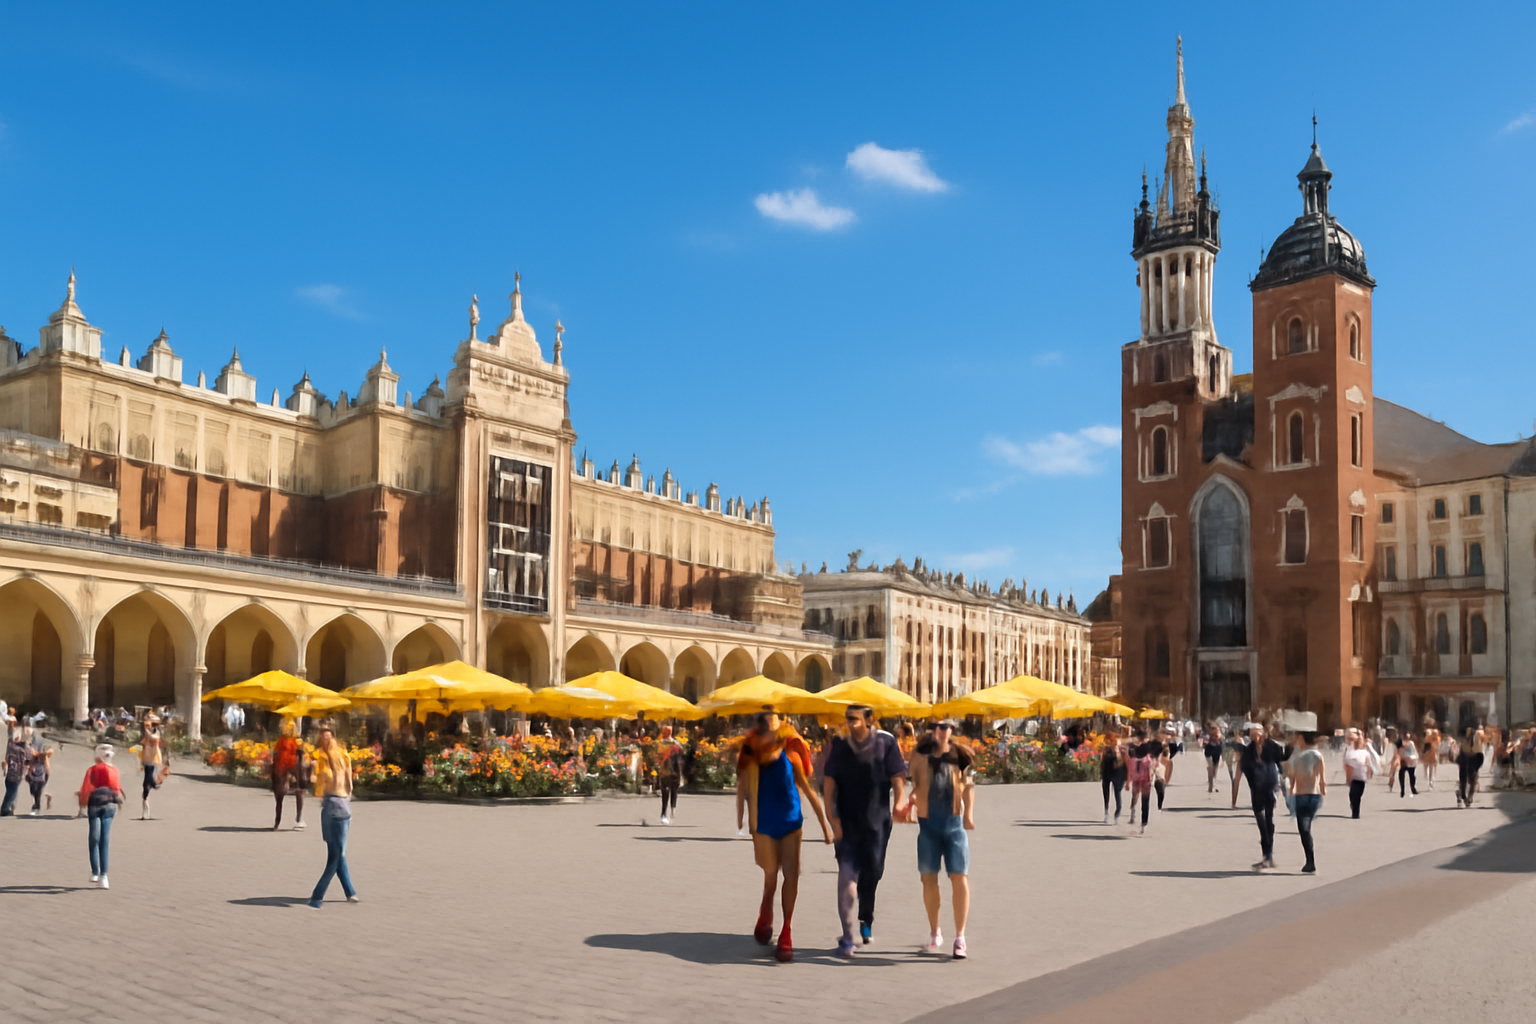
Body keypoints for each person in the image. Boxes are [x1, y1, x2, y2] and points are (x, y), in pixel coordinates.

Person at [735, 708, 831, 962]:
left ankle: (786, 930)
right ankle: (766, 908)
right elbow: (743, 787)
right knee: (770, 874)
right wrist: (744, 819)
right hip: (764, 824)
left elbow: (808, 791)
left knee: (792, 874)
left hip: (791, 822)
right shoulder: (752, 755)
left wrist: (825, 826)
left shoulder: (792, 754)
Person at [822, 704, 909, 957]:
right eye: (848, 719)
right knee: (847, 875)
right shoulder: (840, 746)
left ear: (869, 720)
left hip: (877, 822)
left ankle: (865, 918)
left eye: (855, 719)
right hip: (846, 822)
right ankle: (848, 936)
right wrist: (832, 820)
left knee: (873, 873)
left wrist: (899, 804)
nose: (850, 723)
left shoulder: (886, 743)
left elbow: (898, 778)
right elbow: (829, 785)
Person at [909, 720, 976, 959]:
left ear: (951, 730)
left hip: (954, 826)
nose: (939, 730)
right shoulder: (919, 755)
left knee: (959, 877)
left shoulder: (961, 755)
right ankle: (935, 930)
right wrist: (907, 805)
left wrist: (968, 814)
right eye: (935, 726)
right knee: (928, 879)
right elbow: (914, 785)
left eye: (944, 726)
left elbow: (968, 785)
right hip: (928, 826)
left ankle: (960, 937)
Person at [309, 720, 359, 908]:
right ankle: (317, 896)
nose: (326, 740)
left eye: (327, 737)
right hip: (339, 806)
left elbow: (316, 782)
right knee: (336, 855)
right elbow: (349, 785)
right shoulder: (337, 757)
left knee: (337, 853)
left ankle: (350, 892)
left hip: (331, 805)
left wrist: (315, 772)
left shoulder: (327, 757)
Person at [1232, 721, 1287, 871]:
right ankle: (1267, 856)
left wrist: (1287, 784)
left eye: (1257, 733)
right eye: (1252, 733)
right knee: (1262, 823)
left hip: (1270, 787)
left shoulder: (1272, 746)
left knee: (1268, 821)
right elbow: (1241, 771)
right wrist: (1234, 799)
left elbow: (1282, 763)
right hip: (1256, 789)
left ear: (1263, 733)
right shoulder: (1248, 751)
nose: (1255, 736)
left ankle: (1268, 856)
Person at [78, 744, 124, 888]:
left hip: (94, 805)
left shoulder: (92, 770)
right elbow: (117, 788)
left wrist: (82, 803)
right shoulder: (114, 770)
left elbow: (86, 788)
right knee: (104, 839)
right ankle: (104, 876)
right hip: (110, 805)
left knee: (94, 839)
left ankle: (95, 872)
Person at [1285, 730, 1326, 873]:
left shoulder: (1299, 756)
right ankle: (1309, 861)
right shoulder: (1317, 755)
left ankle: (1310, 861)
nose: (1297, 741)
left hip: (1302, 795)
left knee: (1304, 828)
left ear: (1302, 739)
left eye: (1298, 738)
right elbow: (1322, 777)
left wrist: (1291, 788)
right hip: (1314, 795)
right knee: (1305, 827)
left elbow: (1292, 774)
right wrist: (1323, 790)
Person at [271, 721, 307, 831]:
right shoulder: (280, 740)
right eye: (284, 728)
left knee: (299, 791)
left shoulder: (297, 741)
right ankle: (277, 820)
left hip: (294, 767)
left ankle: (299, 818)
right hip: (281, 768)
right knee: (279, 795)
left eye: (288, 728)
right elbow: (276, 755)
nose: (285, 730)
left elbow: (301, 757)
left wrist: (299, 774)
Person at [1343, 728, 1379, 819]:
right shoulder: (1350, 753)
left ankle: (1355, 809)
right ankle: (1355, 812)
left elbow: (1368, 763)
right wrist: (1348, 779)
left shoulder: (1365, 753)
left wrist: (1370, 772)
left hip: (1362, 778)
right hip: (1354, 778)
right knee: (1353, 795)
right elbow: (1348, 767)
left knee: (1358, 795)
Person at [1126, 727, 1155, 835]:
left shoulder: (1134, 747)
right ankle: (1143, 823)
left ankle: (1133, 813)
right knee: (1145, 800)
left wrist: (1128, 780)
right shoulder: (1151, 746)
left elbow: (1130, 761)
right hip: (1147, 777)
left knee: (1135, 795)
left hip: (1137, 776)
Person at [138, 713, 166, 820]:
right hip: (146, 758)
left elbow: (154, 740)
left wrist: (147, 732)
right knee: (146, 783)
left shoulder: (156, 733)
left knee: (149, 778)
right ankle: (145, 807)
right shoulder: (147, 734)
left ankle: (154, 784)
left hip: (154, 759)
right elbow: (143, 744)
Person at [656, 724, 684, 824]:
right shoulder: (676, 743)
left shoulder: (660, 744)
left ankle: (664, 813)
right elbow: (681, 753)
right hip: (675, 770)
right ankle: (672, 809)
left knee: (665, 790)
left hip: (664, 770)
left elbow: (658, 756)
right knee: (674, 789)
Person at [1100, 728, 1127, 824]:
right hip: (1107, 774)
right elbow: (1102, 762)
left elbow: (1123, 763)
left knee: (1117, 794)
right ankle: (1106, 813)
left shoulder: (1122, 750)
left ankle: (1117, 813)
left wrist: (1117, 752)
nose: (1112, 742)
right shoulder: (1106, 750)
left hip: (1118, 775)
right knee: (1106, 794)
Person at [1456, 725, 1485, 808]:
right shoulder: (1464, 740)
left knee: (1472, 780)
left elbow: (1478, 751)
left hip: (1473, 760)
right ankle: (1463, 795)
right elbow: (1461, 751)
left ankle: (1469, 796)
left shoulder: (1476, 739)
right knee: (1463, 780)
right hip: (1465, 760)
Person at [1, 731, 27, 816]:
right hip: (15, 774)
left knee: (12, 791)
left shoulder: (11, 746)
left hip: (11, 774)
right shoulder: (19, 748)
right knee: (12, 791)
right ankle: (5, 809)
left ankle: (10, 808)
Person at [26, 739, 52, 816]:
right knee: (33, 792)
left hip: (41, 778)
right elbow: (30, 765)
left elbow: (47, 769)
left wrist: (46, 777)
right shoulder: (34, 758)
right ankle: (37, 805)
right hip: (33, 777)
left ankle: (36, 807)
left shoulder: (45, 759)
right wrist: (29, 773)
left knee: (38, 793)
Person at [1392, 731, 1420, 798]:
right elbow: (1397, 752)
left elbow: (1413, 751)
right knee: (1402, 775)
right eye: (1406, 737)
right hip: (1403, 760)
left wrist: (1414, 757)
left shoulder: (1411, 743)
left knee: (1412, 775)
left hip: (1411, 760)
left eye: (1408, 737)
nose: (1407, 738)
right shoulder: (1399, 743)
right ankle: (1402, 790)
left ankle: (1413, 789)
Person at [1203, 725, 1223, 793]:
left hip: (1217, 751)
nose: (1216, 731)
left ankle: (1213, 784)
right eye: (1214, 730)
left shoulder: (1220, 736)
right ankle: (1211, 785)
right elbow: (1204, 742)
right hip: (1209, 750)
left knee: (1215, 769)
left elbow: (1222, 743)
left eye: (1217, 730)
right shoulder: (1208, 736)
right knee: (1211, 767)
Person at [1421, 722, 1441, 790]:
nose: (1435, 735)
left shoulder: (1437, 739)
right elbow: (1426, 746)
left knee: (1432, 766)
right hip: (1429, 754)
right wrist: (1423, 753)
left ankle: (1431, 779)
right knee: (1427, 765)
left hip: (1433, 754)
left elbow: (1438, 747)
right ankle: (1427, 776)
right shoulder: (1428, 738)